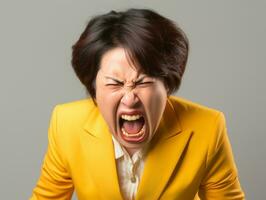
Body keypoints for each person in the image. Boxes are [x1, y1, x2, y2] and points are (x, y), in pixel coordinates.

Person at [30, 8, 245, 200]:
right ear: (94, 90)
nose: (130, 98)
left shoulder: (207, 128)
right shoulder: (67, 125)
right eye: (115, 83)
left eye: (143, 82)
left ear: (167, 86)